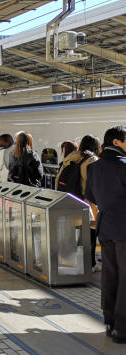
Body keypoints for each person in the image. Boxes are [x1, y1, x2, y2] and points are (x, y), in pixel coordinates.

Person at [85, 126, 126, 344]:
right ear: (118, 142)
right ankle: (122, 328)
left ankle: (109, 322)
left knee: (110, 275)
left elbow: (91, 197)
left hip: (105, 228)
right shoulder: (124, 167)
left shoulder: (94, 168)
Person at [56, 134, 101, 270]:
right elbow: (94, 184)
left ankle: (70, 261)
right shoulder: (92, 160)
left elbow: (59, 179)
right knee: (90, 234)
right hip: (86, 201)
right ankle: (90, 264)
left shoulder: (70, 157)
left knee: (73, 233)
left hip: (70, 200)